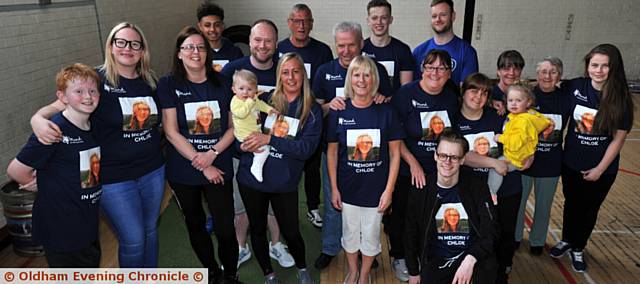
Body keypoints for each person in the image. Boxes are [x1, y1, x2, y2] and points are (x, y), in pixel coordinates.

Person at [30, 22, 165, 268]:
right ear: (111, 46)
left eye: (135, 44)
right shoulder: (97, 79)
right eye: (121, 42)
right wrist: (38, 118)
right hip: (114, 177)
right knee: (133, 240)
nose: (128, 48)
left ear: (142, 50)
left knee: (150, 232)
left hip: (152, 171)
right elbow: (60, 105)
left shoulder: (150, 80)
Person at [157, 26, 240, 283]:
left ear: (207, 52)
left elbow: (234, 126)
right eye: (189, 47)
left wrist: (212, 153)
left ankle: (230, 274)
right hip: (185, 170)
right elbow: (171, 132)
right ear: (179, 53)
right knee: (195, 225)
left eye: (201, 47)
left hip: (219, 164)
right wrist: (201, 163)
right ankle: (212, 273)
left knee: (226, 228)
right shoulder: (168, 84)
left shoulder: (224, 82)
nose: (195, 52)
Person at [313, 21, 393, 270]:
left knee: (367, 209)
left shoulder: (376, 68)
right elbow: (315, 109)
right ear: (335, 46)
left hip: (371, 154)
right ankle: (330, 247)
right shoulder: (324, 71)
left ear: (361, 44)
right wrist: (331, 106)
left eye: (351, 45)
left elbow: (387, 98)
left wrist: (380, 97)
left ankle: (365, 253)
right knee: (335, 203)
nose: (346, 50)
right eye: (341, 45)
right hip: (337, 151)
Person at [236, 52, 321, 284]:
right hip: (252, 179)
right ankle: (269, 274)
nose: (291, 77)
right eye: (285, 72)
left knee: (291, 231)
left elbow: (306, 149)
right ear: (279, 75)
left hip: (284, 182)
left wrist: (269, 140)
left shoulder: (311, 109)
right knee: (257, 228)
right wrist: (243, 144)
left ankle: (302, 269)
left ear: (303, 74)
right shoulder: (265, 101)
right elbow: (240, 130)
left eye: (296, 71)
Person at [8, 63, 102, 268]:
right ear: (62, 97)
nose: (88, 96)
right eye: (78, 91)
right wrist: (37, 182)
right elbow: (15, 170)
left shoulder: (92, 126)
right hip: (62, 227)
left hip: (86, 222)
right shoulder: (53, 131)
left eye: (92, 91)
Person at [550, 44, 634, 273]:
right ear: (588, 66)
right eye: (594, 65)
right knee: (572, 203)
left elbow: (618, 140)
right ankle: (567, 239)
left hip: (602, 169)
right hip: (571, 163)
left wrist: (599, 169)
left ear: (613, 68)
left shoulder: (621, 99)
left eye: (605, 66)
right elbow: (548, 85)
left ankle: (578, 247)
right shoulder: (575, 86)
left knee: (589, 209)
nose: (599, 70)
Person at [220, 19, 295, 269]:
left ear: (276, 43)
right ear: (249, 41)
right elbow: (227, 112)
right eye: (257, 39)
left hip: (273, 149)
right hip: (240, 151)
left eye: (268, 40)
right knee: (240, 205)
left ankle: (276, 244)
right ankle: (242, 247)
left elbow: (290, 107)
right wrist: (237, 143)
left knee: (274, 206)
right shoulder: (232, 69)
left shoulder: (283, 70)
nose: (262, 45)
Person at [326, 55, 402, 284]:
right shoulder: (339, 111)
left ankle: (365, 274)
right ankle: (352, 271)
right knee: (349, 234)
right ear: (350, 79)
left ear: (374, 80)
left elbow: (395, 154)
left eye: (367, 75)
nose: (361, 80)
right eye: (357, 74)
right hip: (347, 190)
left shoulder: (386, 112)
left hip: (376, 192)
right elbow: (331, 152)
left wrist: (388, 191)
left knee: (370, 236)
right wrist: (334, 189)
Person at [387, 49, 460, 279]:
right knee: (403, 215)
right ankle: (399, 256)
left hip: (439, 171)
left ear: (449, 73)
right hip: (408, 168)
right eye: (430, 67)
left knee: (429, 216)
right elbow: (394, 138)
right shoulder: (405, 94)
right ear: (422, 69)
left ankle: (425, 254)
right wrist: (414, 164)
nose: (435, 72)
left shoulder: (451, 96)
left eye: (441, 68)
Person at [454, 73, 529, 283]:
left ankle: (502, 271)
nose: (478, 97)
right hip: (472, 190)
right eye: (473, 90)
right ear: (464, 92)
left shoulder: (498, 118)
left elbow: (519, 143)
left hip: (506, 189)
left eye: (484, 92)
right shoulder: (454, 120)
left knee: (505, 234)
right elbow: (461, 155)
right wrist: (493, 163)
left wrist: (528, 156)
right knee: (478, 235)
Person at [405, 130, 498, 284]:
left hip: (473, 258)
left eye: (454, 157)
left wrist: (471, 258)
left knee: (490, 269)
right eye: (443, 155)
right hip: (438, 260)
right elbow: (410, 231)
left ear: (462, 160)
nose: (447, 162)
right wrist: (413, 271)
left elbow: (492, 230)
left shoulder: (477, 187)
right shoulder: (421, 189)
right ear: (435, 155)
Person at [275, 3, 333, 229]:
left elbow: (326, 85)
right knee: (281, 162)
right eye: (296, 20)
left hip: (311, 117)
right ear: (289, 23)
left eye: (305, 21)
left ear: (311, 24)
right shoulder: (279, 49)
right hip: (283, 116)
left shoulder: (323, 51)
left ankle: (312, 207)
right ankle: (277, 213)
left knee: (311, 167)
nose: (301, 25)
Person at [515, 57, 567, 256]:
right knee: (519, 203)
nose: (547, 76)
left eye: (553, 72)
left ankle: (537, 241)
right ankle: (516, 237)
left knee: (543, 207)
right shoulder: (527, 95)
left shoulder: (565, 98)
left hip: (551, 164)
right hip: (525, 161)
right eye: (543, 71)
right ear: (537, 74)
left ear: (560, 76)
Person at [488, 81, 550, 205]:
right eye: (510, 100)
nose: (514, 103)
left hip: (515, 158)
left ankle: (491, 193)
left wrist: (501, 138)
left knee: (495, 167)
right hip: (519, 155)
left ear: (528, 102)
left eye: (518, 100)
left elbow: (515, 143)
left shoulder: (522, 121)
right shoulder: (524, 115)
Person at [412, 0, 478, 85]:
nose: (438, 19)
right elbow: (414, 88)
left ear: (453, 16)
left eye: (443, 15)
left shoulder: (467, 52)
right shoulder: (418, 52)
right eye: (434, 16)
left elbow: (466, 92)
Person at [230, 69, 276, 182]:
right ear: (234, 89)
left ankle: (257, 162)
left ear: (255, 90)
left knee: (267, 147)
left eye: (249, 89)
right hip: (244, 135)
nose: (245, 92)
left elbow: (260, 104)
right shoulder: (235, 101)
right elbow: (241, 114)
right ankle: (256, 167)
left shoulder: (253, 99)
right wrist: (249, 102)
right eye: (241, 88)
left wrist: (269, 109)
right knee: (265, 150)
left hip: (254, 131)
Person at [362, 0, 415, 91]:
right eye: (374, 18)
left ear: (390, 20)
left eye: (384, 17)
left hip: (394, 104)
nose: (379, 22)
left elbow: (406, 90)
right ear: (368, 21)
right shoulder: (361, 48)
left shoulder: (403, 50)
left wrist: (389, 99)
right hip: (366, 104)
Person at [196, 2, 243, 72]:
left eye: (217, 25)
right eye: (207, 25)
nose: (212, 29)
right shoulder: (195, 52)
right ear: (200, 26)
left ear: (223, 26)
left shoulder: (235, 52)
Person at [491, 50, 525, 116]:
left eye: (516, 69)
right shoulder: (488, 95)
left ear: (521, 72)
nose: (511, 73)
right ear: (498, 71)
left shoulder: (526, 95)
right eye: (506, 68)